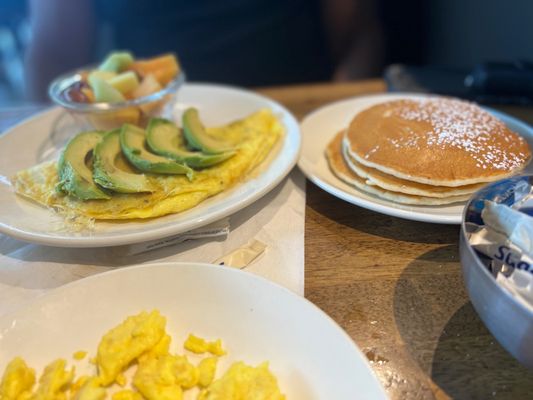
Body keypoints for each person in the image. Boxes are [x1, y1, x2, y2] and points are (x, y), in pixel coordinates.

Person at [24, 0, 384, 102]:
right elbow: (55, 49)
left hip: (296, 108)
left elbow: (357, 31)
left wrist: (335, 103)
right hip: (149, 117)